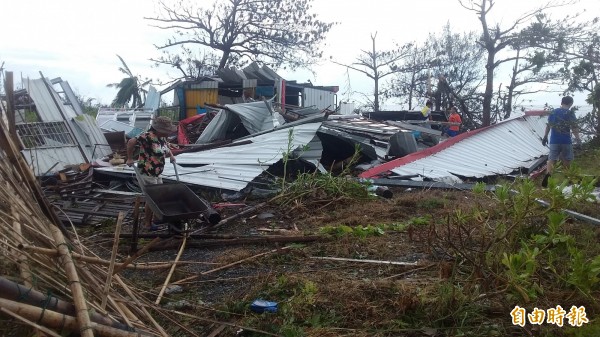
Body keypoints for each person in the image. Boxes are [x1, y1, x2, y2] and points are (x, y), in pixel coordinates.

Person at [126, 116, 177, 230]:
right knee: (152, 197)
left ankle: (155, 218)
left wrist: (172, 156)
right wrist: (129, 158)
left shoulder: (161, 138)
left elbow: (166, 149)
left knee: (159, 196)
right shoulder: (147, 136)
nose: (168, 133)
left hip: (157, 171)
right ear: (159, 130)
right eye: (166, 131)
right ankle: (147, 223)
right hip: (146, 172)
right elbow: (131, 141)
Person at [541, 96, 581, 187]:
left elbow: (548, 125)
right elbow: (574, 127)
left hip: (554, 140)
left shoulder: (554, 112)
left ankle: (548, 174)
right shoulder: (570, 113)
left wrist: (545, 136)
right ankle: (568, 178)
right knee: (567, 159)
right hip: (566, 141)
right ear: (571, 103)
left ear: (561, 102)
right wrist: (578, 139)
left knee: (551, 159)